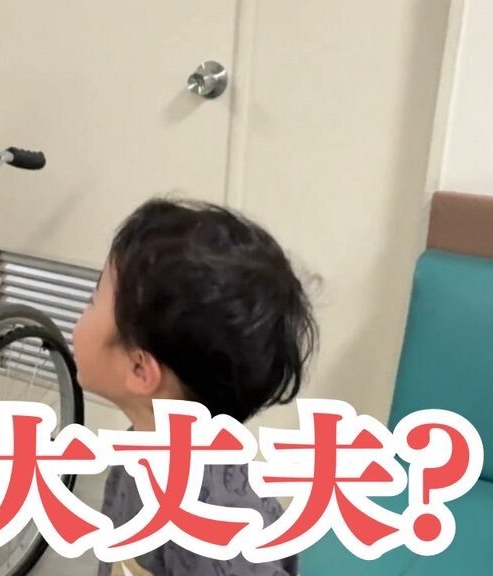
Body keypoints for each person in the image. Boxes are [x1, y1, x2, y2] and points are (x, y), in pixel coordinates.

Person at [72, 199, 317, 576]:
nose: (81, 314)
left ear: (140, 369)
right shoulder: (145, 444)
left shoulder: (217, 530)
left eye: (93, 300)